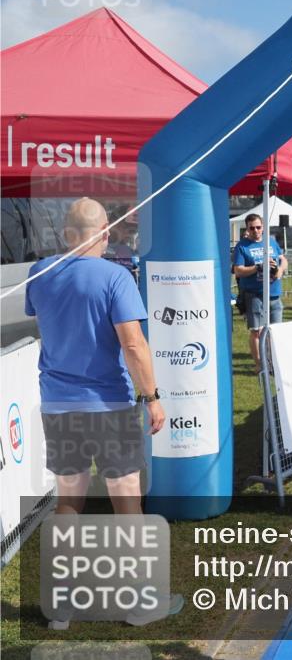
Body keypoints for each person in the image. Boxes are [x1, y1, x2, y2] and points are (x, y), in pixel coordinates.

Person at [25, 198, 181, 627]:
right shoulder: (116, 276)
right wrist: (153, 398)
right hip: (109, 405)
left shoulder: (38, 273)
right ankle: (138, 604)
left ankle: (61, 607)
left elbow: (45, 318)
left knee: (68, 502)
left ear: (65, 235)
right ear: (106, 234)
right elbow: (133, 345)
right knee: (126, 502)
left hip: (58, 405)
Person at [232, 213, 287, 373]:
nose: (256, 231)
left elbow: (283, 259)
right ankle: (259, 365)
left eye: (258, 227)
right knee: (256, 331)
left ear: (263, 227)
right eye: (252, 228)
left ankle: (274, 363)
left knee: (276, 332)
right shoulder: (242, 246)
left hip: (275, 293)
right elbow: (238, 271)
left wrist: (280, 270)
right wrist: (258, 267)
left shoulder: (271, 241)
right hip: (254, 295)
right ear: (247, 229)